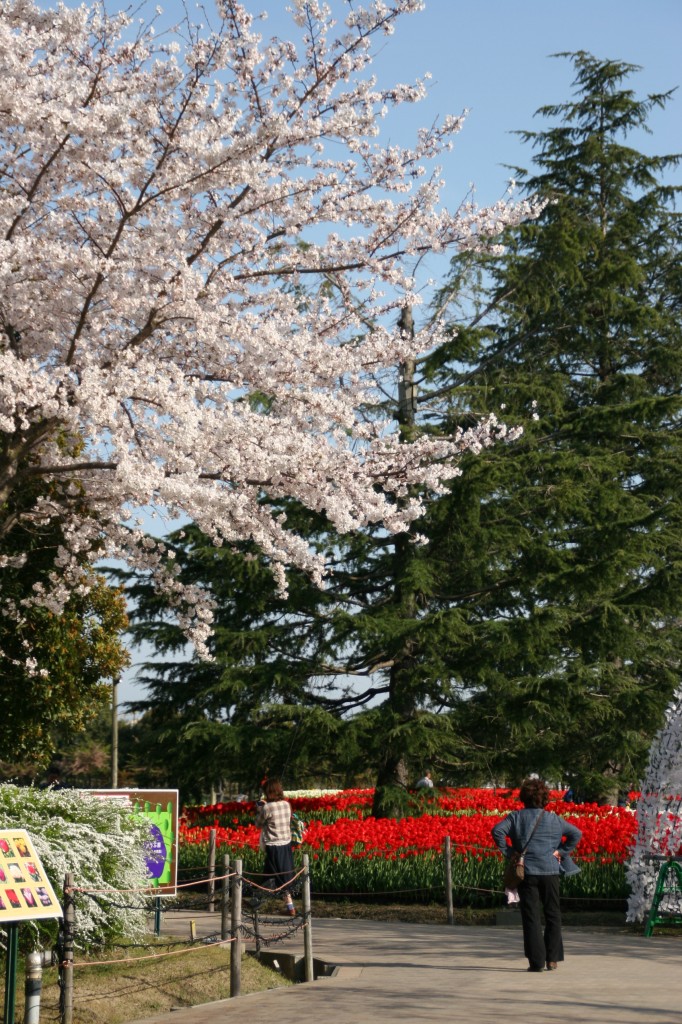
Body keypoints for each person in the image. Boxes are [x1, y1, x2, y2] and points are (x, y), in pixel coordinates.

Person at [491, 777, 582, 973]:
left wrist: (509, 853)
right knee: (553, 914)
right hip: (550, 870)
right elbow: (576, 834)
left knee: (531, 916)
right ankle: (552, 959)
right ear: (545, 798)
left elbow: (497, 831)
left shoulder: (516, 817)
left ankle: (536, 961)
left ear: (524, 797)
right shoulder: (553, 819)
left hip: (527, 871)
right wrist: (560, 852)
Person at [255, 777, 296, 917]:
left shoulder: (267, 807)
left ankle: (257, 903)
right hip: (286, 845)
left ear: (269, 792)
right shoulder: (286, 805)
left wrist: (259, 809)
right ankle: (288, 906)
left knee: (275, 877)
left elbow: (258, 824)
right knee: (282, 875)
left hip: (273, 846)